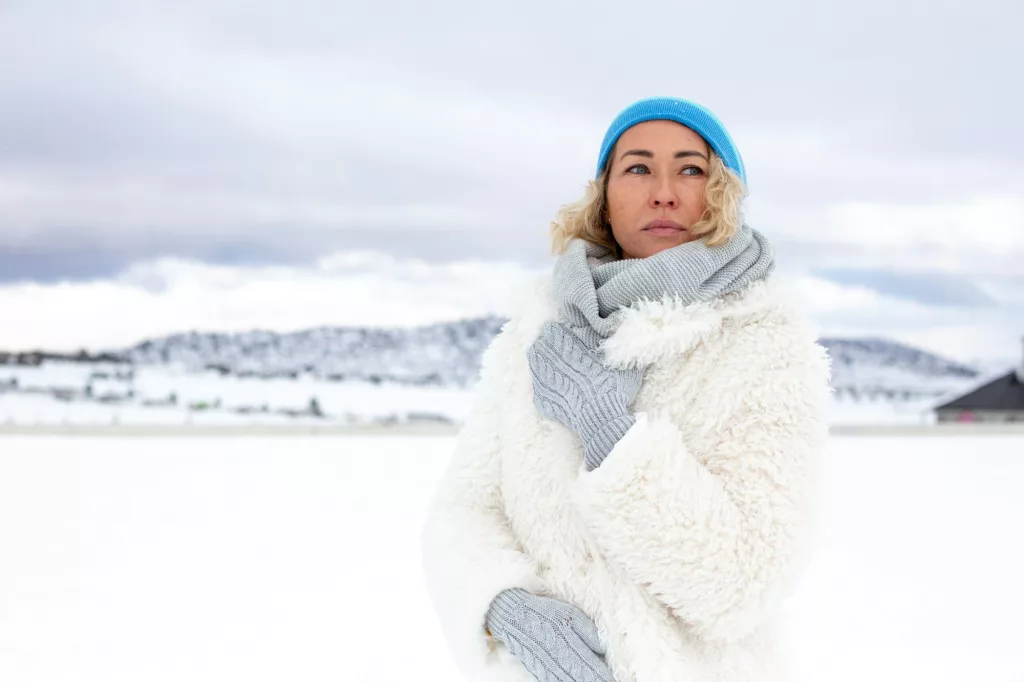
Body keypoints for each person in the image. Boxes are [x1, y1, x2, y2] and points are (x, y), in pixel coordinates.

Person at [420, 96, 831, 682]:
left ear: (723, 192)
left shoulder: (765, 340)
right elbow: (462, 511)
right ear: (604, 196)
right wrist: (503, 607)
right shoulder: (539, 332)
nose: (664, 190)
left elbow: (745, 583)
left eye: (691, 168)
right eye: (638, 167)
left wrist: (610, 433)